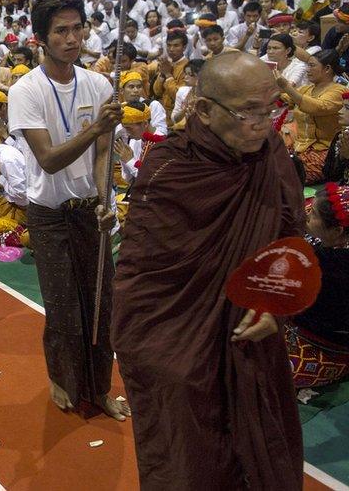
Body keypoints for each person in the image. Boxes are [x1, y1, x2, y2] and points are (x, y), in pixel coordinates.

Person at [112, 51, 303, 490]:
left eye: (270, 108)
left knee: (263, 447)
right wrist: (155, 356)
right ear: (203, 110)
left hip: (252, 332)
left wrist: (277, 306)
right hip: (183, 341)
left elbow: (290, 241)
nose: (262, 122)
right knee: (194, 457)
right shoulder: (171, 168)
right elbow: (142, 274)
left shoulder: (270, 152)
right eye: (247, 112)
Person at [6, 0, 126, 416]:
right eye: (61, 31)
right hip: (48, 215)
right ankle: (63, 379)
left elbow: (103, 155)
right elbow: (50, 160)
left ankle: (101, 388)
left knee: (101, 304)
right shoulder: (26, 91)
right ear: (42, 37)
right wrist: (95, 129)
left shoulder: (99, 84)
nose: (72, 38)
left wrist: (101, 196)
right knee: (63, 308)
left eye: (78, 28)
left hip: (89, 210)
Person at [286, 183, 349, 389]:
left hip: (327, 346)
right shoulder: (333, 245)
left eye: (313, 214)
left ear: (337, 230)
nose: (306, 216)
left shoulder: (331, 268)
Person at [278, 49, 347, 183]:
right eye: (307, 65)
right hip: (300, 147)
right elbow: (284, 99)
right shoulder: (306, 89)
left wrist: (287, 86)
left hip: (325, 151)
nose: (307, 70)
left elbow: (317, 107)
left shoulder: (339, 91)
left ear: (327, 69)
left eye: (312, 65)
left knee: (289, 175)